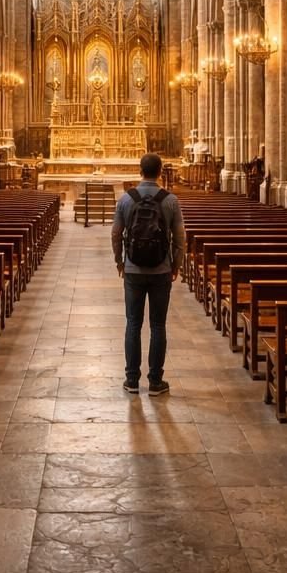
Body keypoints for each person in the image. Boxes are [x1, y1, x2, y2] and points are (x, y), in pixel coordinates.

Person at [111, 152, 185, 396]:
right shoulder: (170, 200)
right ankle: (155, 381)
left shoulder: (126, 199)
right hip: (161, 268)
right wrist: (176, 264)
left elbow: (115, 233)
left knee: (133, 323)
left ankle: (132, 380)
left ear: (140, 170)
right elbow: (180, 238)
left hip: (132, 268)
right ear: (160, 171)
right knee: (158, 325)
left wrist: (119, 261)